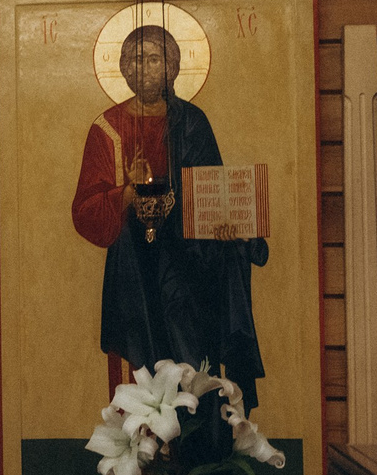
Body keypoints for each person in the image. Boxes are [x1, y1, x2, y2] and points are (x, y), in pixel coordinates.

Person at [70, 24, 268, 409]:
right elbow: (85, 212)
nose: (145, 68)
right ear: (125, 69)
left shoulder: (191, 121)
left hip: (191, 261)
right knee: (149, 362)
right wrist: (127, 191)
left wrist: (225, 227)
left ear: (172, 68)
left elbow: (212, 190)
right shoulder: (106, 130)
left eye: (155, 59)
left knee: (194, 356)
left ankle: (199, 427)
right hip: (136, 265)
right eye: (137, 60)